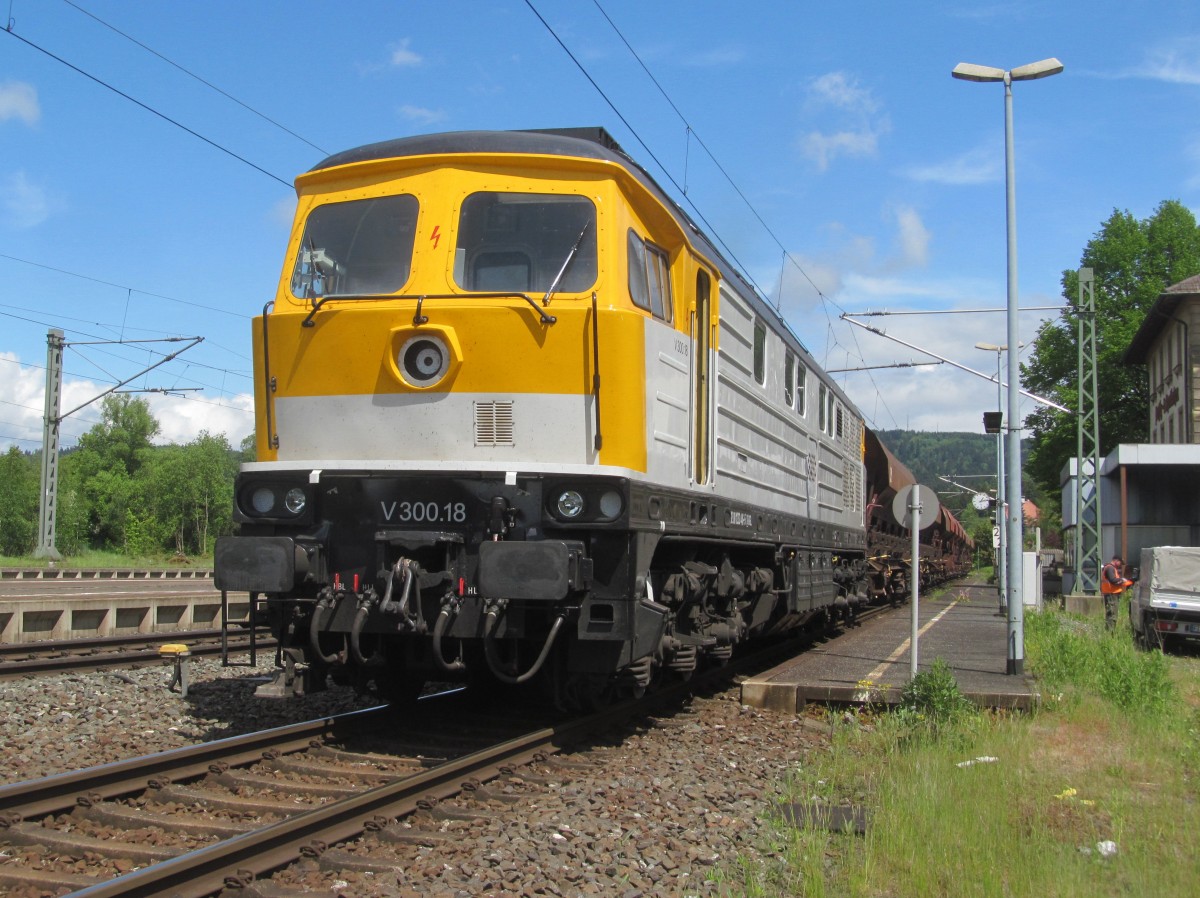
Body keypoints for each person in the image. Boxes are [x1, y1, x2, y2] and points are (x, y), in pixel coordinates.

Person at [1100, 554, 1133, 631]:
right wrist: (1122, 580)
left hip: (1111, 594)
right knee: (1112, 614)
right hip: (1111, 594)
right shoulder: (1110, 568)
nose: (1120, 565)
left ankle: (1109, 631)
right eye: (1120, 563)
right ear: (1116, 561)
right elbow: (1113, 580)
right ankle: (1110, 632)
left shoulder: (1109, 568)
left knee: (1110, 614)